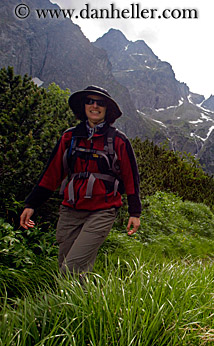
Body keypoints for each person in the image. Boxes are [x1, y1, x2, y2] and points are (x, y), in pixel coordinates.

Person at [19, 85, 141, 276]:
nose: (94, 106)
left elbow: (131, 178)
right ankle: (80, 304)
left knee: (72, 268)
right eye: (89, 101)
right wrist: (31, 204)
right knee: (68, 267)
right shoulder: (70, 137)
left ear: (107, 109)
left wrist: (135, 212)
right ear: (83, 106)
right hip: (70, 209)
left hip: (103, 210)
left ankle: (69, 301)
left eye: (100, 103)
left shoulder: (118, 140)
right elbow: (52, 173)